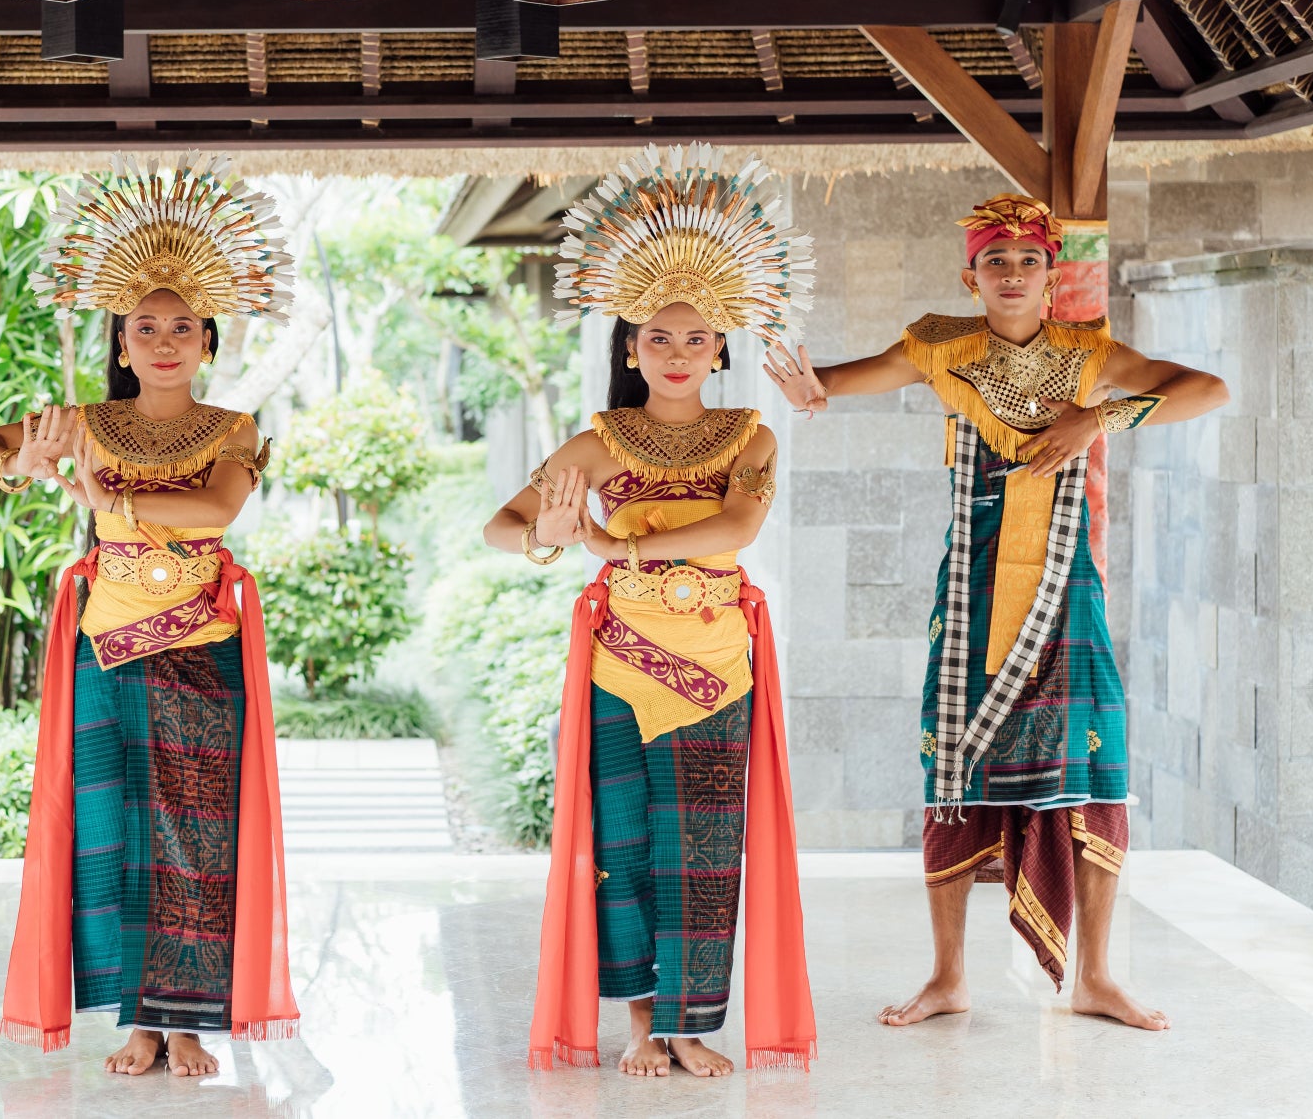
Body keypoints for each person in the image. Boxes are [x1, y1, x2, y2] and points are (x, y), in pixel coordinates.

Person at [764, 192, 1229, 1032]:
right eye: (994, 261)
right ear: (969, 275)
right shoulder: (940, 347)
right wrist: (802, 382)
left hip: (1066, 592)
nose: (1011, 274)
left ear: (1053, 278)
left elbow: (1209, 388)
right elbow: (827, 386)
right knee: (953, 772)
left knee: (1094, 768)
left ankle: (1094, 976)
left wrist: (1097, 415)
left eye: (1027, 261)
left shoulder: (1090, 356)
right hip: (973, 590)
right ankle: (947, 976)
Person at [494, 143, 818, 1079]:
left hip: (716, 657)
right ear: (630, 348)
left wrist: (612, 547)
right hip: (619, 662)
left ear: (722, 348)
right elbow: (501, 527)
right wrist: (556, 535)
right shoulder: (597, 442)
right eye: (658, 339)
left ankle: (693, 1024)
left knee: (707, 851)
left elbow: (737, 527)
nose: (678, 355)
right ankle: (643, 1023)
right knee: (623, 843)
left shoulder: (749, 436)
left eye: (696, 339)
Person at [0, 156, 299, 1078]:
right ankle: (137, 1021)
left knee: (197, 833)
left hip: (201, 644)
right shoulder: (85, 421)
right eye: (144, 326)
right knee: (110, 832)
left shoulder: (232, 427)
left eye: (182, 327)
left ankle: (187, 1021)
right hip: (107, 647)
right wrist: (25, 463)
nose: (162, 340)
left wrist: (109, 494)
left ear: (208, 343)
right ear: (119, 342)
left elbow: (217, 511)